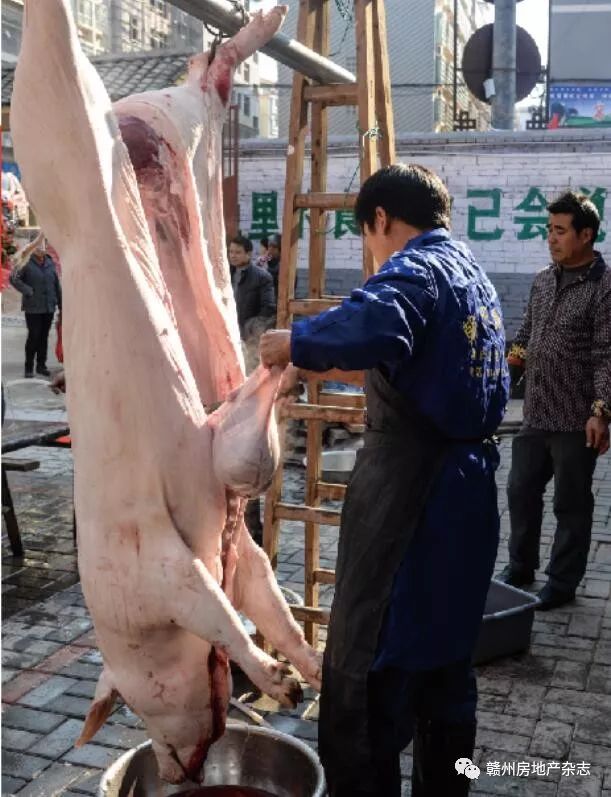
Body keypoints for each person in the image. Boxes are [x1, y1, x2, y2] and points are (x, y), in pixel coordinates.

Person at [260, 163, 509, 797]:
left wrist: (295, 342)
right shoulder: (474, 276)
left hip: (411, 503)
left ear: (380, 220)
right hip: (469, 492)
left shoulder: (417, 268)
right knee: (447, 666)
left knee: (367, 675)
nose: (372, 249)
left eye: (367, 235)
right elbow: (421, 360)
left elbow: (380, 321)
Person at [497, 191, 610, 610]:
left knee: (571, 504)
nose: (552, 238)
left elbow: (606, 353)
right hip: (537, 411)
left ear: (586, 234)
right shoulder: (544, 279)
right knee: (520, 490)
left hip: (576, 417)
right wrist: (506, 371)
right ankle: (520, 566)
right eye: (549, 230)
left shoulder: (604, 287)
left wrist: (602, 412)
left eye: (560, 231)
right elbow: (525, 335)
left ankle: (561, 583)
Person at [228, 234, 276, 543]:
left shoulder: (261, 277)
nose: (232, 255)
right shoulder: (226, 273)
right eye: (230, 251)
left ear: (247, 253)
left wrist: (248, 331)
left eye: (237, 251)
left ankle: (253, 527)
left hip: (246, 346)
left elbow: (269, 311)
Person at [10, 238, 62, 378]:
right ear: (33, 247)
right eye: (38, 246)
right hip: (33, 307)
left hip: (48, 306)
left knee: (44, 337)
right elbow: (13, 278)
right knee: (34, 336)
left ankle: (41, 365)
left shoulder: (50, 262)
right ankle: (29, 367)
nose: (42, 248)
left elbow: (56, 284)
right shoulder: (26, 260)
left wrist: (61, 305)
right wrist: (28, 291)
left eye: (44, 245)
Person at [266, 233, 281, 297]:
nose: (270, 249)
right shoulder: (265, 262)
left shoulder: (284, 265)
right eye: (269, 246)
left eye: (274, 247)